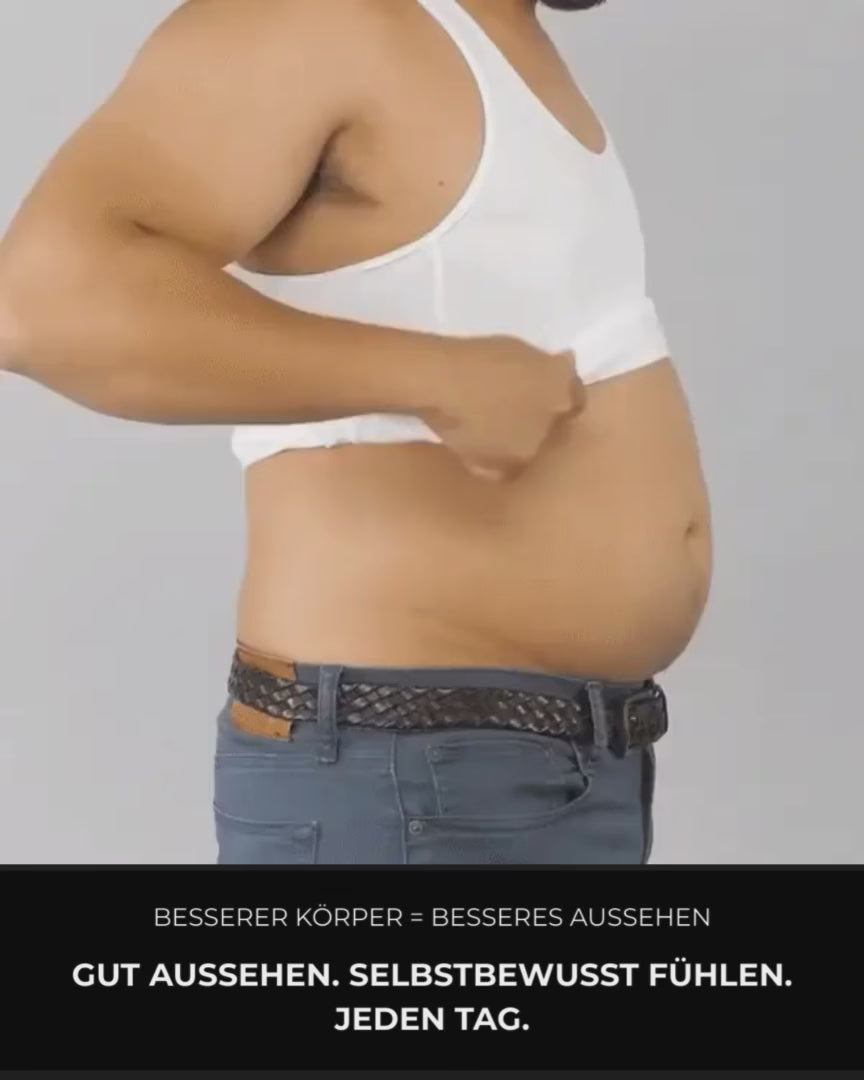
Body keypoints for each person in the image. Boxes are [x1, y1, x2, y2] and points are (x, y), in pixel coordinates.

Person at [0, 0, 712, 864]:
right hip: (408, 778)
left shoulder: (500, 44)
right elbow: (42, 304)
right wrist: (434, 377)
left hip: (550, 768)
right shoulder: (321, 18)